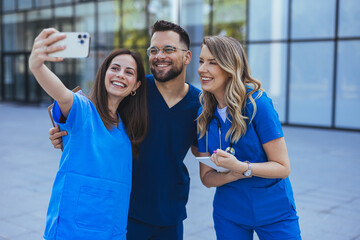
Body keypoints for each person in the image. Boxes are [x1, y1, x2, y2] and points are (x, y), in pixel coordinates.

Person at [48, 21, 201, 240]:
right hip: (126, 210)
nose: (160, 55)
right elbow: (93, 112)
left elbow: (199, 148)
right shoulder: (134, 89)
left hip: (171, 213)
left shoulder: (200, 104)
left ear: (187, 57)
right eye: (154, 50)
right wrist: (65, 132)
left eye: (168, 49)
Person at [29, 28, 148, 240]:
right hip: (72, 230)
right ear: (104, 73)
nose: (121, 75)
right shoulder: (83, 109)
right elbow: (62, 95)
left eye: (129, 72)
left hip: (112, 230)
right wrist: (37, 66)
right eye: (115, 68)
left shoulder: (126, 126)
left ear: (136, 86)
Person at [196, 35, 301, 240]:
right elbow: (206, 178)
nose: (201, 69)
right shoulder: (204, 114)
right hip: (229, 213)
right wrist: (231, 174)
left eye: (212, 62)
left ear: (229, 67)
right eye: (201, 61)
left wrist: (243, 168)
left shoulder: (258, 104)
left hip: (274, 211)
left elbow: (282, 167)